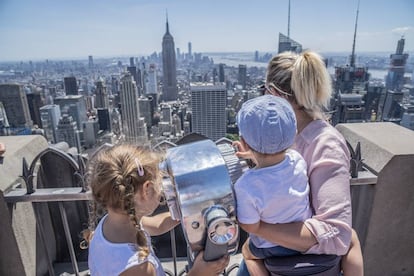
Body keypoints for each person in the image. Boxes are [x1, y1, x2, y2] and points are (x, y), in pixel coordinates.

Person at [234, 50, 363, 276]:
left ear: (274, 93)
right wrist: (256, 155)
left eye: (264, 92)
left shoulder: (326, 144)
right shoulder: (289, 137)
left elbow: (337, 235)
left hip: (288, 264)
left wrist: (262, 230)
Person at [85, 144, 230, 276]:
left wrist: (188, 209)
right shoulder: (138, 268)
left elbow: (157, 224)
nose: (162, 191)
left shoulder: (113, 223)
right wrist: (199, 273)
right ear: (146, 190)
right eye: (160, 184)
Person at [235, 95, 312, 276]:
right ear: (293, 134)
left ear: (244, 142)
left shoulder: (245, 185)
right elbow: (275, 171)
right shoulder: (298, 160)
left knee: (248, 255)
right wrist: (254, 155)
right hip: (300, 242)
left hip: (269, 248)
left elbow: (250, 226)